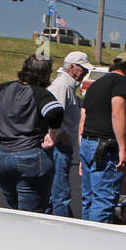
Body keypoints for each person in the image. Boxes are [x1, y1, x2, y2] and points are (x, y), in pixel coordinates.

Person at [0, 55, 64, 213]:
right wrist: (52, 136)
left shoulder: (3, 89)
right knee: (30, 215)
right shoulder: (39, 93)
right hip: (31, 154)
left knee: (14, 212)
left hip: (3, 156)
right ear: (45, 74)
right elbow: (55, 112)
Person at [78, 53, 126, 222]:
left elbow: (83, 119)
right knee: (104, 200)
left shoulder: (95, 84)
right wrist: (123, 148)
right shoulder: (121, 82)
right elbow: (117, 111)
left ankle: (86, 238)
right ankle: (97, 243)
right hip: (105, 146)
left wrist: (82, 152)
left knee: (89, 198)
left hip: (88, 142)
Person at [42, 50, 91, 217]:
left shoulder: (67, 85)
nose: (85, 72)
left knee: (53, 191)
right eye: (82, 68)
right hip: (59, 145)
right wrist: (61, 135)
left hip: (62, 144)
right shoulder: (63, 85)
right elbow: (54, 114)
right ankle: (65, 227)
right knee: (60, 192)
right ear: (72, 68)